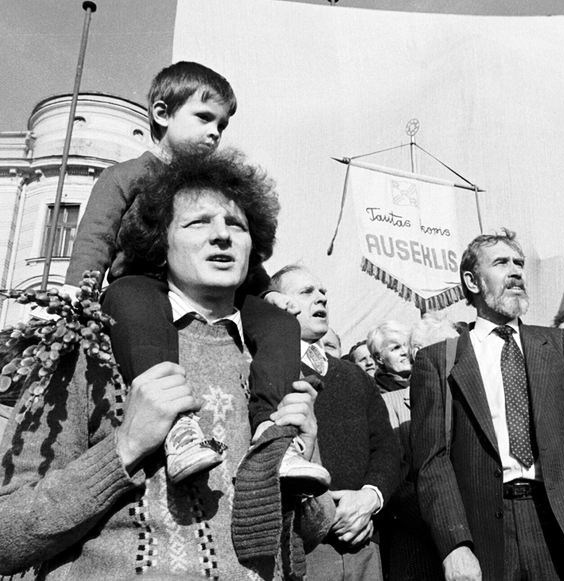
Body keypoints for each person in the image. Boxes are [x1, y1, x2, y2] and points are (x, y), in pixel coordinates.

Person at [0, 149, 332, 579]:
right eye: (198, 222)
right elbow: (7, 535)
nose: (222, 236)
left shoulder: (279, 360)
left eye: (237, 225)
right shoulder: (86, 348)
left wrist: (303, 471)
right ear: (161, 240)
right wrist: (124, 448)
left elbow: (310, 534)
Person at [64, 61, 321, 486]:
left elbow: (239, 250)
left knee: (278, 324)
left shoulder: (217, 189)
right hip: (143, 283)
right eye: (204, 117)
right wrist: (78, 296)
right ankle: (178, 427)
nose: (215, 132)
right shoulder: (125, 175)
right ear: (162, 114)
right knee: (134, 305)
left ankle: (274, 433)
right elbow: (95, 237)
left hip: (219, 296)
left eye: (222, 124)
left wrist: (265, 292)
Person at [411, 229, 564, 581]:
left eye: (519, 263)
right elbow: (432, 463)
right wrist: (454, 545)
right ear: (472, 280)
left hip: (562, 525)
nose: (515, 272)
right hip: (486, 533)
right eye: (501, 263)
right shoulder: (440, 360)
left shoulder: (557, 345)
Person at [272, 265, 401, 581]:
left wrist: (369, 497)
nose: (320, 299)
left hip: (362, 542)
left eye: (323, 293)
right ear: (275, 303)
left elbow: (386, 448)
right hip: (298, 547)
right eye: (306, 292)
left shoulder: (355, 377)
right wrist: (320, 509)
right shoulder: (264, 370)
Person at [378, 312, 459, 581]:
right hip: (420, 549)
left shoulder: (471, 403)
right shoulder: (390, 406)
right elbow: (396, 483)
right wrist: (452, 533)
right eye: (444, 351)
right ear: (418, 355)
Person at [367, 320, 413, 394]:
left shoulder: (428, 378)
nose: (405, 352)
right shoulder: (376, 393)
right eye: (396, 348)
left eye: (407, 345)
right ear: (379, 358)